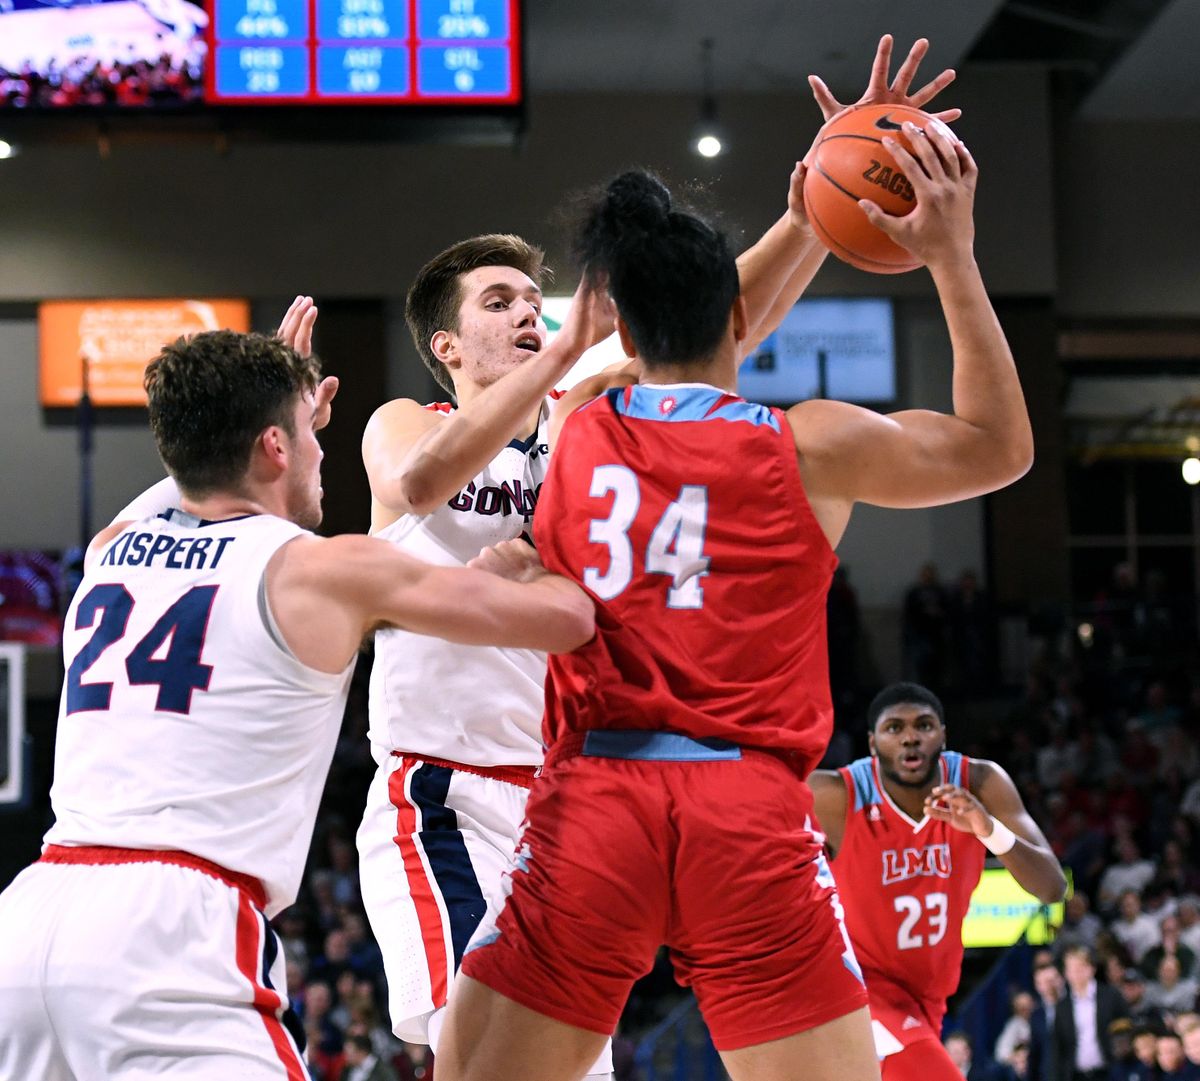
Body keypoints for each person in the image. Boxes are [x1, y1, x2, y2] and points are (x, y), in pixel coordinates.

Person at [353, 33, 961, 1071]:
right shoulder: (407, 421)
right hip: (446, 788)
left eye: (531, 298)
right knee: (466, 1035)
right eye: (496, 303)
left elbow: (723, 315)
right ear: (447, 346)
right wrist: (561, 354)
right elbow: (419, 486)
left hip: (577, 787)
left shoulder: (589, 411)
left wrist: (823, 192)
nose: (526, 313)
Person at [0, 330, 594, 1079]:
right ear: (275, 446)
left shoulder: (112, 547)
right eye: (312, 434)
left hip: (31, 917)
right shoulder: (324, 570)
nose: (324, 451)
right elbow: (572, 622)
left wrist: (254, 412)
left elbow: (187, 476)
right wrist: (528, 565)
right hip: (175, 932)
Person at [809, 682, 1066, 1080]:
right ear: (872, 743)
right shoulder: (836, 794)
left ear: (943, 736)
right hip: (859, 986)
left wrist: (987, 829)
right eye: (894, 728)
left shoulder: (978, 782)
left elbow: (1052, 888)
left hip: (928, 995)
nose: (910, 736)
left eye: (923, 725)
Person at [1047, 946, 1130, 1081]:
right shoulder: (1062, 1006)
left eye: (1079, 968)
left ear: (1091, 968)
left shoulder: (1111, 996)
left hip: (1109, 1073)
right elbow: (1057, 1047)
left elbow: (1126, 1028)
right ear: (1066, 973)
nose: (1075, 973)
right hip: (1076, 1075)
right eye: (1071, 969)